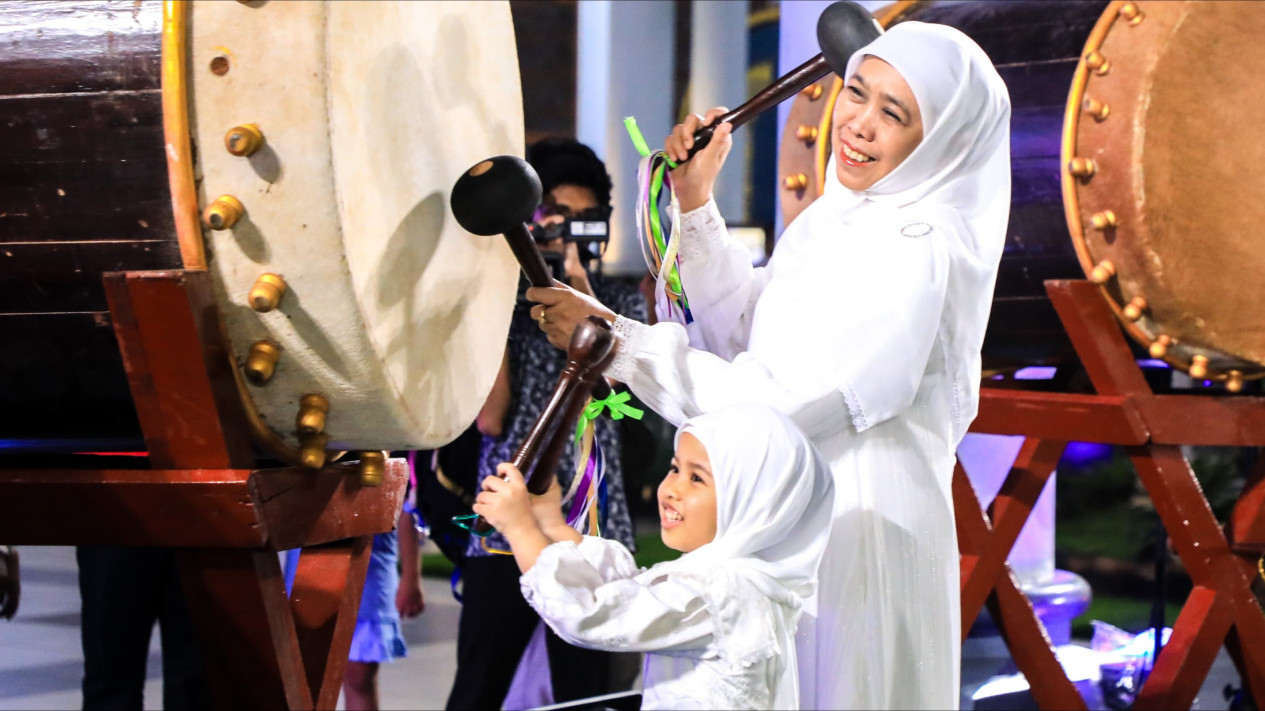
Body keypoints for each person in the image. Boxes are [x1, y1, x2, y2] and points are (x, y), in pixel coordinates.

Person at [526, 22, 1011, 709]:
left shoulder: (921, 242)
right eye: (857, 93)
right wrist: (694, 201)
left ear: (941, 140)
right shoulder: (839, 217)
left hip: (859, 526)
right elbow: (749, 335)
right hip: (791, 512)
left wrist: (616, 342)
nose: (858, 124)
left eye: (893, 113)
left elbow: (788, 402)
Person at [445, 138, 648, 711]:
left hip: (594, 526)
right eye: (560, 218)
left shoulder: (616, 303)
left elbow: (619, 392)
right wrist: (495, 305)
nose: (571, 232)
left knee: (590, 694)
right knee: (478, 686)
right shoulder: (506, 305)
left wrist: (580, 292)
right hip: (506, 520)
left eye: (586, 220)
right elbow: (489, 419)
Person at [474, 404, 835, 710]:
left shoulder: (721, 592)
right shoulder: (730, 577)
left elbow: (591, 613)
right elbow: (624, 587)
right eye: (676, 468)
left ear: (755, 502)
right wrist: (551, 522)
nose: (672, 489)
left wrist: (521, 529)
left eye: (698, 479)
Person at [283, 507, 424, 711]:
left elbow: (406, 509)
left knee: (359, 680)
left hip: (369, 568)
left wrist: (411, 577)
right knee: (306, 682)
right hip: (307, 570)